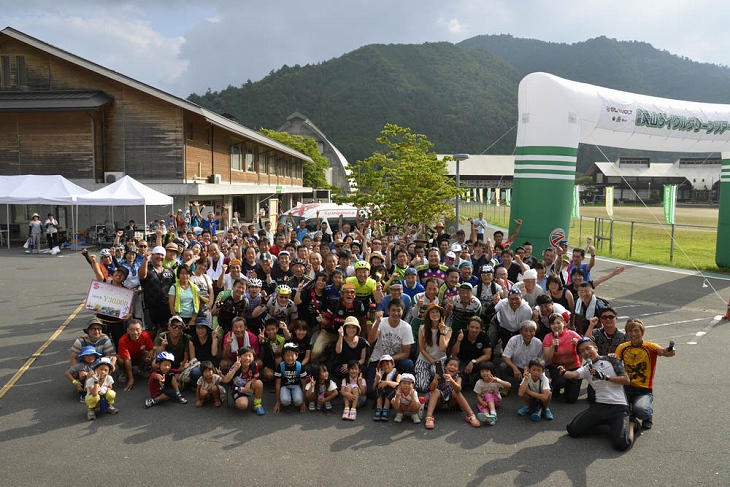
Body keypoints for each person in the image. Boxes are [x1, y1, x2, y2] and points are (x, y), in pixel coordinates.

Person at [562, 337, 638, 452]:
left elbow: (626, 380)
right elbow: (572, 375)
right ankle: (604, 423)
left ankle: (632, 423)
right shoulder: (586, 368)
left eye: (588, 348)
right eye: (582, 351)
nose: (586, 353)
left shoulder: (611, 360)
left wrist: (605, 377)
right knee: (572, 429)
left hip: (618, 407)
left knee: (621, 444)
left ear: (596, 348)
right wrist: (563, 372)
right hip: (600, 406)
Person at [615, 318, 676, 430]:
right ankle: (631, 411)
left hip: (644, 390)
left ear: (642, 332)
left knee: (642, 410)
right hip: (626, 388)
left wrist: (669, 351)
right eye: (630, 331)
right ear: (627, 333)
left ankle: (647, 416)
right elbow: (615, 363)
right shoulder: (622, 347)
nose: (633, 334)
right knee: (617, 411)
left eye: (636, 331)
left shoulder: (650, 346)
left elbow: (663, 351)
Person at [367, 299, 416, 397]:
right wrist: (377, 323)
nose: (396, 313)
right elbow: (371, 340)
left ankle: (408, 389)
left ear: (402, 311)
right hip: (378, 359)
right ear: (388, 311)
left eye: (399, 310)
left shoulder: (406, 327)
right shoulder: (381, 322)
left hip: (395, 360)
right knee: (370, 392)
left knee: (409, 364)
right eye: (393, 310)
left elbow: (406, 353)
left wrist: (390, 360)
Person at [423, 357, 481, 429]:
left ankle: (471, 415)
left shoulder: (458, 377)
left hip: (451, 402)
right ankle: (429, 417)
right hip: (439, 402)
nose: (452, 367)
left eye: (455, 366)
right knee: (435, 391)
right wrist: (435, 380)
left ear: (458, 370)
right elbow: (431, 389)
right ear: (445, 366)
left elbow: (458, 389)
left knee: (456, 392)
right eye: (450, 365)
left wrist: (451, 381)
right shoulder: (439, 374)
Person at [542, 313, 582, 404]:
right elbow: (548, 357)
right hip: (557, 367)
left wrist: (578, 345)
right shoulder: (548, 337)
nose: (556, 326)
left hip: (574, 367)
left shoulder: (572, 334)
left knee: (571, 400)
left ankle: (569, 385)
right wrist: (552, 346)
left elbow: (585, 350)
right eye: (553, 324)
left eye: (558, 323)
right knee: (559, 382)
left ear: (564, 323)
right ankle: (557, 386)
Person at [139, 245, 176, 337]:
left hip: (166, 308)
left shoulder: (169, 271)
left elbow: (174, 287)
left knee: (164, 332)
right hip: (150, 307)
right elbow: (142, 276)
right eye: (157, 254)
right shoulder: (147, 268)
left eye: (162, 255)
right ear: (152, 255)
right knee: (151, 333)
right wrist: (145, 260)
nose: (160, 257)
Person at [414, 303, 450, 392]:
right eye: (432, 312)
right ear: (428, 315)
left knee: (441, 386)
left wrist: (442, 332)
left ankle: (431, 379)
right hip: (425, 359)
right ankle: (425, 378)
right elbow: (422, 348)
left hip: (440, 360)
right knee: (422, 387)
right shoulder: (422, 328)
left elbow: (442, 348)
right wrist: (431, 360)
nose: (435, 314)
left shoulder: (448, 330)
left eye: (437, 312)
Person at [498, 320, 544, 387]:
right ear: (521, 331)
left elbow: (541, 361)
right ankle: (505, 386)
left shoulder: (538, 343)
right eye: (525, 331)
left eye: (531, 331)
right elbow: (505, 357)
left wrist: (529, 369)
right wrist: (515, 368)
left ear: (534, 332)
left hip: (531, 369)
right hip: (515, 366)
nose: (528, 334)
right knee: (503, 366)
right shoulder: (513, 340)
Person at [221, 346, 265, 415]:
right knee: (243, 405)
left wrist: (249, 384)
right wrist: (235, 369)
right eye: (245, 356)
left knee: (259, 383)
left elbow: (256, 377)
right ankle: (238, 401)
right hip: (237, 389)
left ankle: (257, 405)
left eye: (250, 356)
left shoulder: (254, 365)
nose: (247, 358)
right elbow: (226, 380)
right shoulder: (235, 366)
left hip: (248, 386)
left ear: (253, 358)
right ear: (239, 357)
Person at [451, 316, 492, 389]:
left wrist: (473, 362)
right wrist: (458, 341)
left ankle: (476, 383)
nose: (474, 330)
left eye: (477, 328)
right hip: (462, 360)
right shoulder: (460, 334)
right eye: (472, 327)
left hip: (477, 361)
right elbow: (454, 354)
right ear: (467, 326)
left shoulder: (484, 336)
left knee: (488, 366)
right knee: (461, 375)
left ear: (481, 329)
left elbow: (487, 355)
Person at [116, 319, 154, 391]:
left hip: (139, 356)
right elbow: (127, 359)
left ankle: (141, 369)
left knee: (150, 356)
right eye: (132, 330)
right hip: (128, 358)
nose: (135, 332)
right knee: (120, 359)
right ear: (128, 331)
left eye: (137, 329)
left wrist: (150, 354)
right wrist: (131, 379)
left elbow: (151, 348)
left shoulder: (145, 335)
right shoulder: (122, 340)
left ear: (141, 330)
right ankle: (125, 372)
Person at [473, 361, 511, 426]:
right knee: (482, 407)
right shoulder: (479, 382)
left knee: (488, 395)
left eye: (487, 371)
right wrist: (482, 402)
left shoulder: (495, 380)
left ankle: (493, 414)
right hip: (485, 401)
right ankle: (487, 417)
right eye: (482, 371)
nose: (484, 373)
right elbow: (478, 396)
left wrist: (498, 381)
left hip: (496, 400)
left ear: (491, 372)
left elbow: (509, 385)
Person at [273, 343, 308, 413]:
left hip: (296, 386)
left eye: (292, 355)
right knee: (285, 401)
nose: (290, 358)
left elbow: (304, 383)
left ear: (297, 356)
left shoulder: (299, 366)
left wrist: (303, 401)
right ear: (283, 357)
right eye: (287, 356)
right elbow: (278, 384)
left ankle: (295, 397)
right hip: (284, 386)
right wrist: (278, 402)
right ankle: (286, 397)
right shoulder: (280, 366)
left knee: (298, 401)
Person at [517, 357, 553, 422]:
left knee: (548, 395)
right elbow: (520, 393)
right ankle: (528, 406)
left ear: (543, 371)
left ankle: (545, 408)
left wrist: (529, 391)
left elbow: (544, 397)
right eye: (533, 370)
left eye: (539, 370)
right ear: (529, 370)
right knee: (523, 389)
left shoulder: (545, 379)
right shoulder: (527, 377)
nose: (536, 372)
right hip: (533, 397)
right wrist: (525, 380)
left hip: (541, 397)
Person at [333, 317, 369, 381]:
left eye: (353, 327)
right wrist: (340, 336)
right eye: (348, 327)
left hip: (356, 366)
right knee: (338, 371)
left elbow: (362, 360)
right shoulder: (341, 339)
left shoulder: (362, 341)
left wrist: (350, 366)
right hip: (343, 366)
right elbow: (338, 351)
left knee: (363, 369)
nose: (351, 330)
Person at [168, 264, 199, 330]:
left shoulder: (194, 288)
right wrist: (179, 321)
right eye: (182, 273)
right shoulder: (174, 288)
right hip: (178, 318)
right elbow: (171, 306)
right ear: (178, 275)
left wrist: (193, 320)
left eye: (187, 273)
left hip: (191, 318)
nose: (185, 276)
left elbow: (197, 303)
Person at [372, 355, 400, 421]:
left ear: (393, 365)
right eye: (383, 365)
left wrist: (387, 382)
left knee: (390, 388)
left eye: (388, 364)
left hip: (391, 398)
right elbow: (373, 388)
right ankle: (379, 408)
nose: (385, 366)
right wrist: (377, 380)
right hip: (381, 397)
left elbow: (399, 385)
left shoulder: (397, 374)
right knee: (379, 387)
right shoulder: (380, 374)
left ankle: (386, 409)